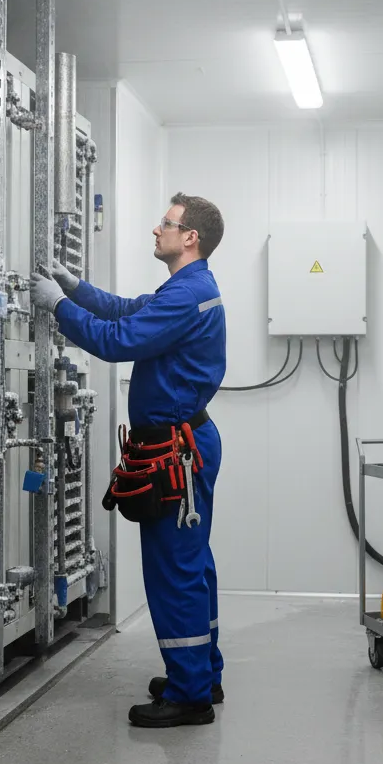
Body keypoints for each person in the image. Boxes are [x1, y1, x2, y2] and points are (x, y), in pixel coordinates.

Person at [30, 193, 227, 728]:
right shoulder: (188, 289)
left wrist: (56, 307)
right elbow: (130, 311)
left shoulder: (189, 294)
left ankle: (190, 696)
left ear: (192, 238)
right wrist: (77, 289)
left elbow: (117, 341)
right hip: (185, 444)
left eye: (167, 222)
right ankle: (202, 673)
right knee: (193, 564)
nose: (156, 228)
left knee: (175, 570)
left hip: (177, 453)